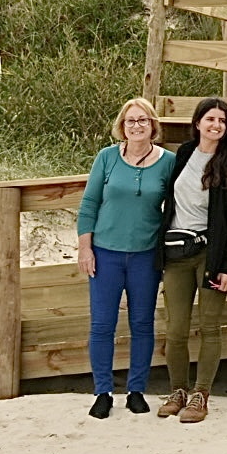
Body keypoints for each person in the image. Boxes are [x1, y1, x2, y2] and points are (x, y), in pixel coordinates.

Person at [77, 97, 176, 418]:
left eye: (143, 120)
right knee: (102, 325)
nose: (136, 126)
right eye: (131, 121)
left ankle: (136, 390)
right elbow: (89, 204)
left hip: (146, 256)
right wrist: (85, 248)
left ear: (153, 126)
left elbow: (179, 205)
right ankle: (103, 391)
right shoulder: (106, 158)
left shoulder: (168, 162)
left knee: (142, 324)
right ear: (122, 126)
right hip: (105, 254)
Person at [155, 97, 227, 424]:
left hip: (211, 256)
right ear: (198, 123)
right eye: (210, 119)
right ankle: (178, 390)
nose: (216, 125)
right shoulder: (183, 154)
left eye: (222, 121)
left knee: (210, 327)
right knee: (176, 328)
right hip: (176, 253)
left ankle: (201, 394)